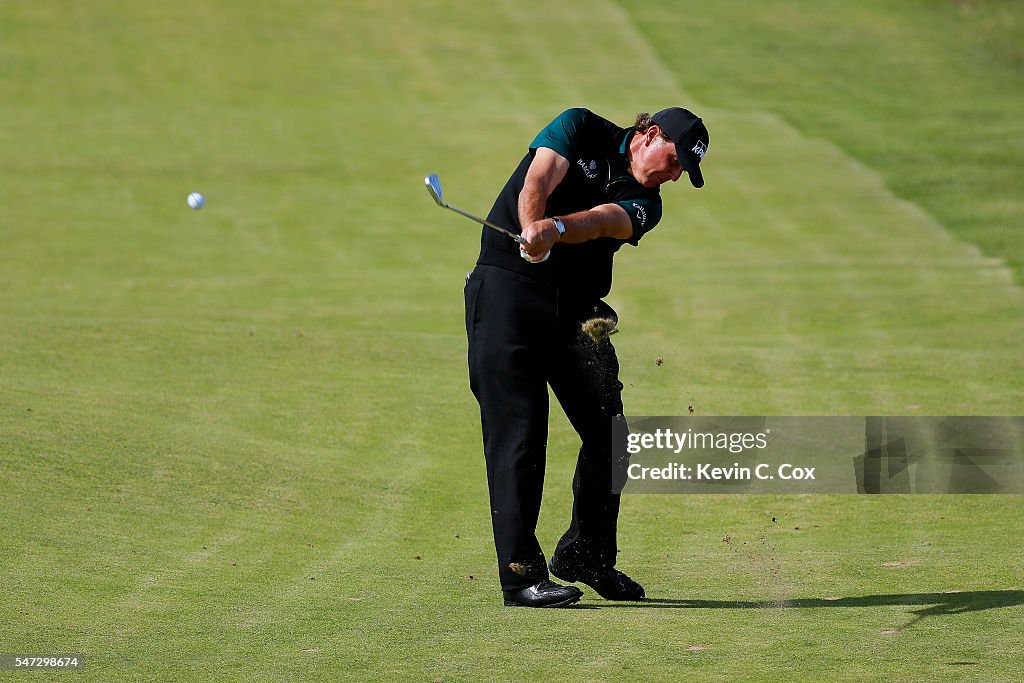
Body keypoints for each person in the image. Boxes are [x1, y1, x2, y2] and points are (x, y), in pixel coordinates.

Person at [463, 107, 709, 607]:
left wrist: (552, 230)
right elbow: (540, 174)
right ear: (650, 134)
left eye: (683, 170)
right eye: (674, 159)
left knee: (610, 434)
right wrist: (532, 227)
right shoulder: (579, 127)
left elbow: (603, 222)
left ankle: (588, 556)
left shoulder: (647, 203)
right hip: (508, 291)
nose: (674, 173)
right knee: (520, 434)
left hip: (575, 311)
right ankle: (520, 576)